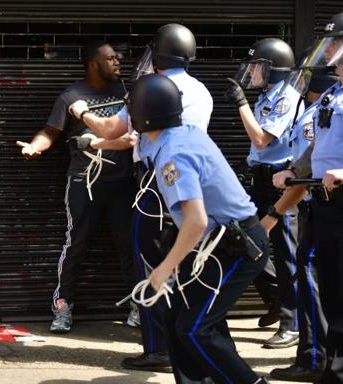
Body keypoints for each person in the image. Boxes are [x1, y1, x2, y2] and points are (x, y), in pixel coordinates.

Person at [68, 23, 215, 372]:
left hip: (154, 185)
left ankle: (158, 349)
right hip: (190, 186)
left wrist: (81, 111)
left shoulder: (149, 88)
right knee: (186, 266)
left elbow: (110, 129)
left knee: (148, 265)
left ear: (160, 54)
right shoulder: (201, 90)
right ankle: (185, 343)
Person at [130, 73, 271, 384]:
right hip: (215, 245)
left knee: (195, 328)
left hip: (237, 247)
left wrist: (165, 267)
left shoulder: (173, 154)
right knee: (176, 317)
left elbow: (196, 221)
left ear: (143, 114)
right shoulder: (179, 134)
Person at [16, 40, 137, 334]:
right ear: (93, 64)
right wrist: (35, 147)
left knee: (130, 245)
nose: (117, 62)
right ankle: (62, 306)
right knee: (76, 243)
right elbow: (51, 130)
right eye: (110, 59)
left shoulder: (127, 93)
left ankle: (140, 306)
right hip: (84, 180)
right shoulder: (71, 96)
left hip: (123, 181)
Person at [272, 11, 343, 383]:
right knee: (334, 291)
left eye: (337, 42)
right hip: (325, 201)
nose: (330, 48)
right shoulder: (334, 93)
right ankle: (338, 371)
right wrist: (296, 171)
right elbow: (318, 145)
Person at [263, 66, 339, 382]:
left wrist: (276, 212)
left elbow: (306, 174)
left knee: (309, 279)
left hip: (320, 206)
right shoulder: (317, 111)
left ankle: (314, 358)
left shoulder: (316, 115)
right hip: (316, 207)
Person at [224, 37, 301, 348]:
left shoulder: (286, 98)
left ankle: (293, 321)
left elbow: (261, 140)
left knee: (286, 253)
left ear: (274, 69)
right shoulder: (268, 95)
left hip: (280, 183)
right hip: (259, 179)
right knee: (243, 241)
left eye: (257, 66)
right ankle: (273, 298)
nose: (252, 72)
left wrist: (241, 104)